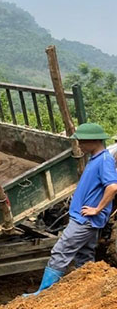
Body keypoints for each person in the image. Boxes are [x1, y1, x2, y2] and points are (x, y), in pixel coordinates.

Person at [26, 123, 117, 295]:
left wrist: (97, 209)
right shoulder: (96, 158)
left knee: (60, 251)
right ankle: (88, 293)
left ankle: (43, 293)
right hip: (84, 218)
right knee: (85, 256)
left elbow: (112, 187)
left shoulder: (104, 161)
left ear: (95, 141)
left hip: (85, 220)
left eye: (82, 141)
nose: (80, 144)